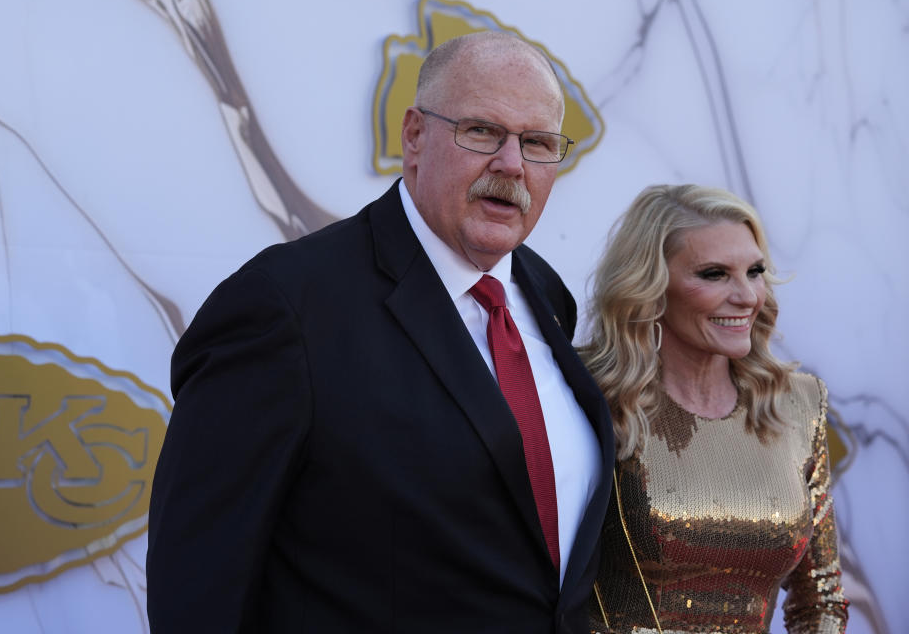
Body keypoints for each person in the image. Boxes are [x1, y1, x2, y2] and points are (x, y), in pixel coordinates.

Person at [146, 31, 614, 633]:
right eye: (481, 132)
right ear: (414, 136)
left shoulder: (547, 296)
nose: (511, 164)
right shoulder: (284, 306)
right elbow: (198, 586)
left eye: (538, 143)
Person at [577, 184, 848, 633]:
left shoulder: (797, 404)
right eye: (714, 274)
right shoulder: (590, 395)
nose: (747, 297)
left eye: (755, 271)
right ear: (651, 286)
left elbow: (819, 598)